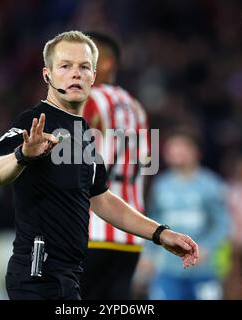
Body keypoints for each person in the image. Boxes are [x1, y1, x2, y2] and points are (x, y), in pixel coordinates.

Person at [0, 30, 199, 300]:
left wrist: (160, 233)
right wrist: (22, 155)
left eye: (84, 67)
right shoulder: (34, 121)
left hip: (69, 275)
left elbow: (102, 199)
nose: (76, 73)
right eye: (65, 66)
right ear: (47, 75)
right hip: (37, 274)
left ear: (94, 77)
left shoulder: (83, 133)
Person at [80, 32, 149, 299]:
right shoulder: (137, 107)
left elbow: (69, 161)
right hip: (131, 233)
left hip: (89, 229)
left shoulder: (89, 99)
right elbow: (146, 165)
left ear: (106, 63)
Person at [137, 129, 229, 300]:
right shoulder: (161, 185)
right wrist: (148, 254)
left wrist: (207, 248)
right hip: (166, 268)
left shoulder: (211, 184)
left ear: (195, 151)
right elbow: (152, 221)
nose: (175, 152)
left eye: (181, 147)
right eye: (171, 148)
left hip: (202, 269)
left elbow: (222, 223)